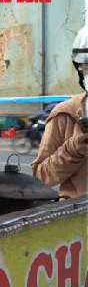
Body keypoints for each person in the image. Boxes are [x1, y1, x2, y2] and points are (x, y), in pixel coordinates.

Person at [31, 26, 88, 198]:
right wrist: (73, 150)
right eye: (87, 65)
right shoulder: (65, 114)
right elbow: (40, 176)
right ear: (80, 68)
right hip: (77, 216)